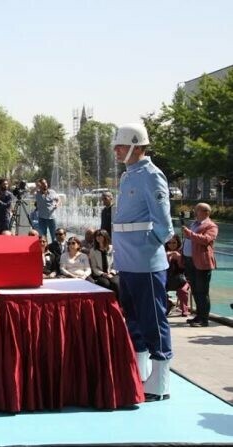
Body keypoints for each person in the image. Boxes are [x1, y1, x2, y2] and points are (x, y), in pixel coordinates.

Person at [112, 123, 174, 402]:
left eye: (121, 145)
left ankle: (160, 382)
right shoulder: (129, 175)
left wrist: (148, 249)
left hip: (145, 262)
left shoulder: (151, 175)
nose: (116, 150)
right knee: (134, 318)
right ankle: (140, 370)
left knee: (153, 320)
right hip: (127, 260)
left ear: (137, 146)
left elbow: (164, 224)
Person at [182, 202, 218, 327]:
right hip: (190, 261)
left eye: (197, 210)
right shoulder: (194, 224)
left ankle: (204, 319)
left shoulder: (211, 226)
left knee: (202, 292)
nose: (194, 212)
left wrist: (190, 234)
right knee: (195, 291)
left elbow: (206, 240)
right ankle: (198, 316)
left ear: (206, 212)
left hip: (202, 263)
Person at [164, 234, 190, 317]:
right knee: (157, 289)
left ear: (178, 243)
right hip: (167, 279)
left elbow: (185, 268)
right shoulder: (163, 252)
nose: (172, 245)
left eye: (174, 243)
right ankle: (168, 304)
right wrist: (167, 257)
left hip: (182, 279)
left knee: (182, 291)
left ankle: (185, 310)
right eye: (169, 243)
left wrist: (179, 258)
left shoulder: (183, 253)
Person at [88, 229, 119, 298]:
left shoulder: (113, 248)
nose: (98, 237)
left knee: (115, 283)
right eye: (96, 236)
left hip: (112, 273)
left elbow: (117, 263)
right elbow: (94, 267)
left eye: (100, 235)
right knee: (105, 283)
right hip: (100, 275)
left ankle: (119, 302)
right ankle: (107, 302)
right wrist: (103, 274)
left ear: (105, 236)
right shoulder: (93, 251)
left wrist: (112, 273)